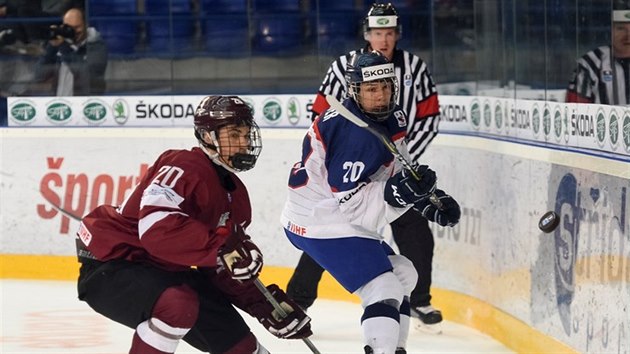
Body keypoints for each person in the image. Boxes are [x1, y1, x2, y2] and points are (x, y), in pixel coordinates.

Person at [76, 95, 312, 354]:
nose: (244, 142)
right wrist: (221, 247)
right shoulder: (183, 165)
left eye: (246, 134)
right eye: (234, 134)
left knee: (242, 346)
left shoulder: (237, 197)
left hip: (169, 273)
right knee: (178, 305)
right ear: (208, 136)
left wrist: (266, 306)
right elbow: (157, 228)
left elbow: (222, 267)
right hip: (116, 265)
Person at [281, 50, 460, 354]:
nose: (380, 96)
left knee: (405, 274)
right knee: (384, 287)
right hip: (319, 218)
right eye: (371, 89)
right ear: (355, 91)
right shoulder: (354, 132)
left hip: (332, 213)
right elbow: (352, 203)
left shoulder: (392, 116)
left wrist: (424, 198)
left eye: (386, 87)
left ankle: (394, 348)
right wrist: (400, 194)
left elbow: (395, 168)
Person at [33, 7, 108, 96]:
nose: (73, 32)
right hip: (59, 104)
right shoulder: (60, 44)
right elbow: (38, 76)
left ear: (86, 25)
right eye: (68, 27)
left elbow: (88, 75)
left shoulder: (96, 45)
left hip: (85, 104)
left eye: (77, 27)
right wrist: (52, 46)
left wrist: (64, 48)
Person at [566, 1, 630, 105]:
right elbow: (574, 111)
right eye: (621, 28)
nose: (628, 35)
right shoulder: (589, 65)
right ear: (611, 30)